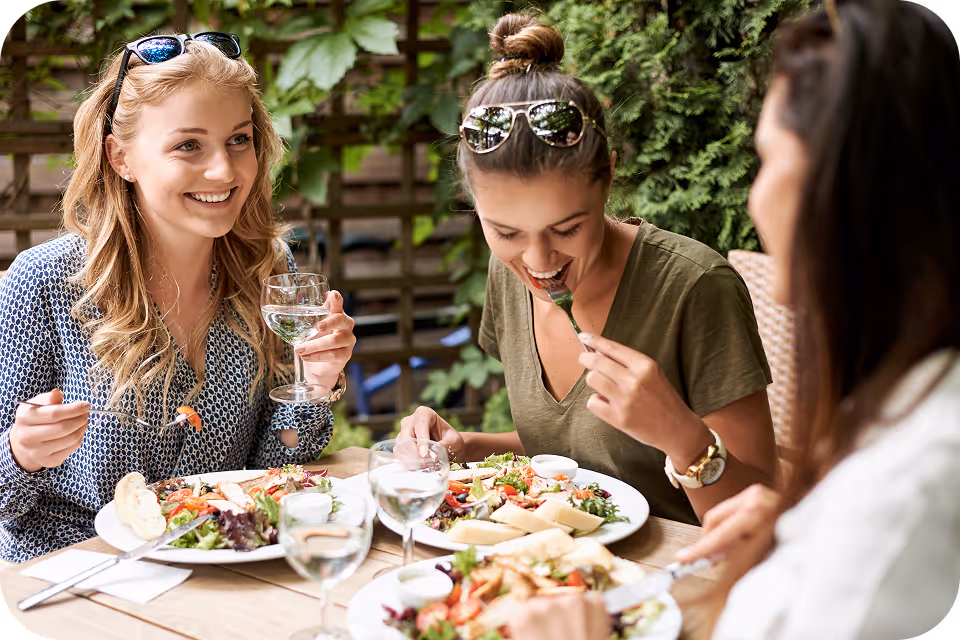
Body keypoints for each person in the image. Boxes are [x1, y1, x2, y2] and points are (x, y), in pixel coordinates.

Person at [508, 1, 960, 638]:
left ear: (854, 191)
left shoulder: (904, 498)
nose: (755, 194)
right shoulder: (899, 417)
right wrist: (792, 528)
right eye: (506, 231)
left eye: (770, 157)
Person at [400, 14, 779, 524]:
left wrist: (682, 437)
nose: (538, 262)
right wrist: (463, 447)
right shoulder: (505, 275)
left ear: (609, 178)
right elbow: (575, 450)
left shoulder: (695, 286)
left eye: (566, 228)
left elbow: (764, 519)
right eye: (507, 233)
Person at [0, 33, 356, 562]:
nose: (224, 170)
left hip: (219, 570)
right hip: (79, 577)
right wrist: (20, 454)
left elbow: (268, 474)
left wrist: (318, 383)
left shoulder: (267, 272)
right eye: (188, 145)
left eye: (239, 140)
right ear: (120, 156)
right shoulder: (46, 283)